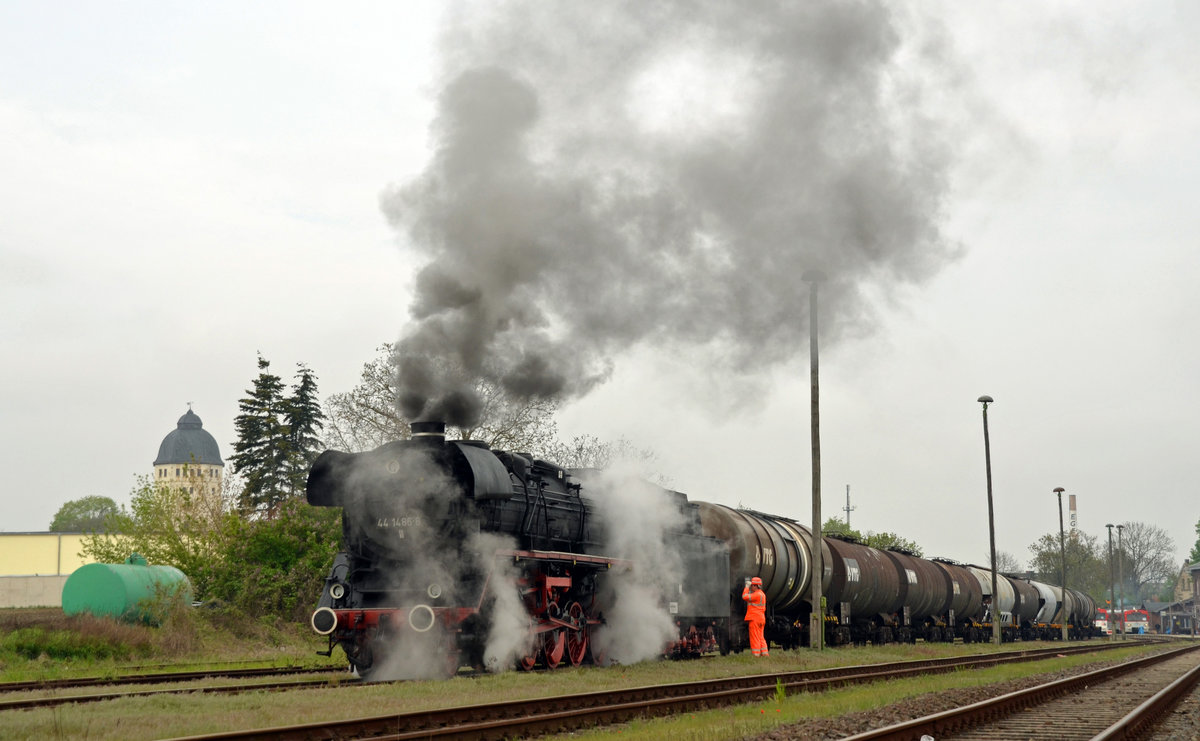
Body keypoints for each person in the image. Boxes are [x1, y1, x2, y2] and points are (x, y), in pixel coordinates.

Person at [742, 576, 768, 657]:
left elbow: (744, 597)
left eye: (752, 585)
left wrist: (746, 587)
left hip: (754, 619)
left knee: (755, 638)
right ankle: (765, 654)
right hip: (761, 618)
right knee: (761, 637)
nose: (751, 586)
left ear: (756, 586)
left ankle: (756, 655)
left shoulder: (756, 595)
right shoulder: (762, 595)